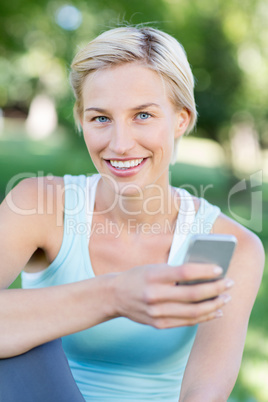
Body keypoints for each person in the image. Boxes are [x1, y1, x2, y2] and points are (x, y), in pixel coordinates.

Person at [0, 26, 264, 402]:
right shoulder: (39, 205)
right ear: (81, 120)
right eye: (100, 118)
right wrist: (115, 296)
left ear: (181, 119)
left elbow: (203, 394)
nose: (120, 145)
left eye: (143, 115)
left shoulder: (233, 247)